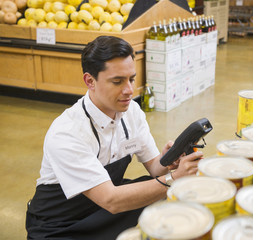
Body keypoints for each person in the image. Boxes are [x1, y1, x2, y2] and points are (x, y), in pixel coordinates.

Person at [26, 35, 203, 240]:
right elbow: (111, 200)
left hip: (104, 207)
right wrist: (174, 178)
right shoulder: (67, 133)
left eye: (132, 79)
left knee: (164, 198)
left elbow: (155, 168)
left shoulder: (132, 112)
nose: (129, 90)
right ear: (90, 81)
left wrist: (169, 161)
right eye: (117, 81)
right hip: (60, 223)